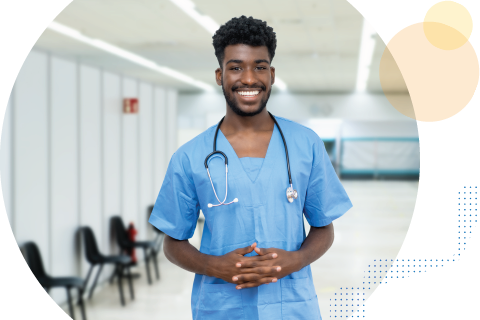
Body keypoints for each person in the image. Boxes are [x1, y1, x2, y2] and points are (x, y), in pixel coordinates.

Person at [149, 15, 352, 320]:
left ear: (271, 74)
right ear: (220, 76)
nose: (248, 78)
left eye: (259, 66)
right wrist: (213, 265)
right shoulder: (190, 157)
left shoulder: (305, 144)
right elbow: (173, 242)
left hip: (292, 306)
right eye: (236, 67)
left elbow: (324, 227)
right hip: (222, 307)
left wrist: (294, 261)